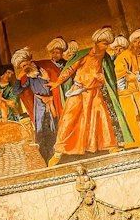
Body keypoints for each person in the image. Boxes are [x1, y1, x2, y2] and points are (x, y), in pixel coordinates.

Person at [52, 28, 129, 163]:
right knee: (69, 119)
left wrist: (102, 78)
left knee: (102, 117)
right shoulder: (84, 55)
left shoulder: (104, 57)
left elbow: (109, 77)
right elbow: (70, 69)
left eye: (107, 44)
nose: (107, 46)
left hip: (95, 92)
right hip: (79, 91)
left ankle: (110, 146)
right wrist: (57, 82)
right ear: (97, 42)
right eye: (104, 43)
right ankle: (59, 151)